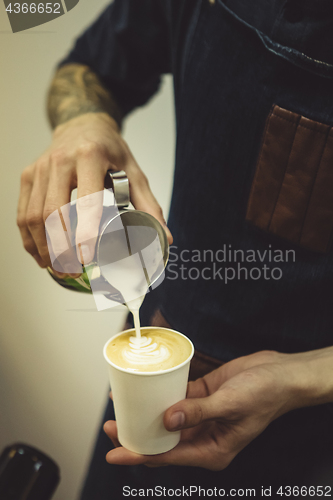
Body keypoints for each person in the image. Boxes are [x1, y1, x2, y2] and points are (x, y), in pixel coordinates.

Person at [17, 0, 333, 497]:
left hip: (310, 435)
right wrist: (82, 122)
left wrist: (304, 379)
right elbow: (91, 66)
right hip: (157, 363)